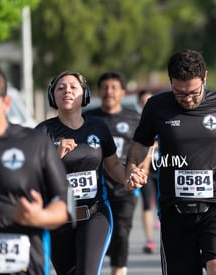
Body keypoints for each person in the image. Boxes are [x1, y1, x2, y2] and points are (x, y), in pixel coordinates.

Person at [124, 49, 216, 275]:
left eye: (193, 92)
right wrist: (133, 168)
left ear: (205, 77)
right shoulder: (156, 106)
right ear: (171, 82)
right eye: (179, 93)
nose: (188, 99)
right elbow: (140, 142)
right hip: (175, 208)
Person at [0, 63, 70, 274]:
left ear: (6, 102)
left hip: (22, 266)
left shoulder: (34, 143)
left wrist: (40, 217)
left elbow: (64, 205)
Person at [36, 71, 147, 275]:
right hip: (58, 219)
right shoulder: (42, 132)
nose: (67, 91)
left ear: (84, 95)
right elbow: (31, 176)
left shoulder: (98, 126)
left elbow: (113, 165)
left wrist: (128, 177)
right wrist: (54, 155)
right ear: (53, 97)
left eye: (73, 87)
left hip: (94, 213)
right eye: (60, 88)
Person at [84, 72, 141, 275]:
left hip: (123, 187)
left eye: (113, 87)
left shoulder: (134, 118)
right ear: (99, 91)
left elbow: (148, 146)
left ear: (123, 92)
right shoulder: (88, 118)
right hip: (95, 190)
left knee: (121, 235)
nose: (109, 92)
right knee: (93, 239)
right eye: (105, 87)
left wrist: (142, 168)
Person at [137, 89, 158, 254]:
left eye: (149, 100)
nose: (147, 104)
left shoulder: (163, 118)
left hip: (165, 167)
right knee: (146, 205)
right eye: (144, 101)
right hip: (145, 170)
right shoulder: (136, 121)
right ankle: (149, 240)